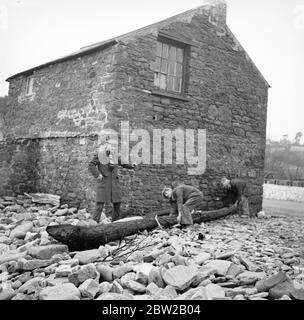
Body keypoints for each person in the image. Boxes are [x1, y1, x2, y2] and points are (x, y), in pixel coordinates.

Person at [88, 142, 136, 223]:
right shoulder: (100, 155)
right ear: (106, 147)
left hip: (114, 183)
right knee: (100, 203)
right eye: (112, 147)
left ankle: (115, 222)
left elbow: (124, 163)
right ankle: (94, 222)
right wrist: (98, 175)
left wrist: (132, 165)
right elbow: (91, 165)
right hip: (104, 182)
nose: (113, 149)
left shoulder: (115, 156)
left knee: (117, 202)